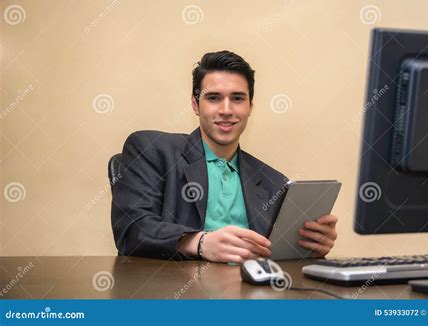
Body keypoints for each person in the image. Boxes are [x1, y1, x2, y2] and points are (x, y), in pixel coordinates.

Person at [111, 50, 338, 263]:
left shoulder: (275, 182)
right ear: (195, 104)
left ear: (250, 106)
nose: (226, 110)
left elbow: (273, 255)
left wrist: (309, 246)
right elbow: (132, 229)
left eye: (238, 98)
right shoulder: (151, 149)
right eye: (214, 98)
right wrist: (199, 242)